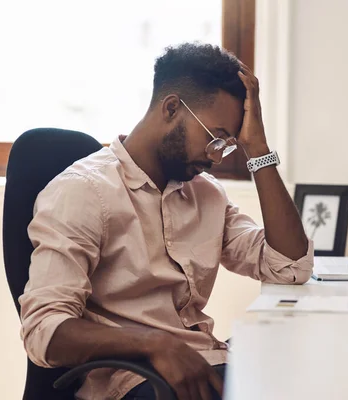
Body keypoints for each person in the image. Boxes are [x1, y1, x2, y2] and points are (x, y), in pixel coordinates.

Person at [19, 43, 314, 400]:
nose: (216, 157)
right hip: (132, 381)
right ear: (172, 108)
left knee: (316, 369)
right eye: (216, 138)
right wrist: (153, 343)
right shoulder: (83, 192)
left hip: (205, 362)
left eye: (228, 145)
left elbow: (289, 267)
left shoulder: (206, 194)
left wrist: (259, 151)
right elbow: (43, 330)